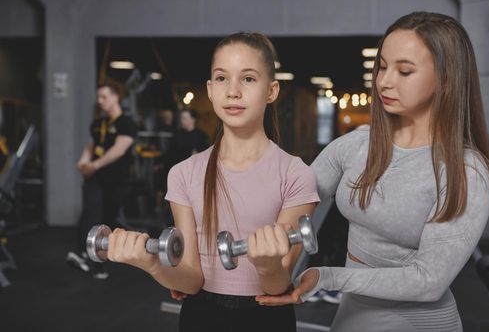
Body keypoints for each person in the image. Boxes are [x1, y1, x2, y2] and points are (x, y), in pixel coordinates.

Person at [257, 12, 489, 332]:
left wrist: (329, 276)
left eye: (404, 71)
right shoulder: (356, 145)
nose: (384, 81)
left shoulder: (466, 171)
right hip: (352, 313)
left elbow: (427, 281)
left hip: (417, 323)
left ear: (446, 79)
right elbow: (286, 201)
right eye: (383, 66)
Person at [105, 32, 319, 332]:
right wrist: (151, 263)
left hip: (267, 320)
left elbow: (277, 286)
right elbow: (191, 279)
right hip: (201, 317)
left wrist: (268, 264)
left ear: (271, 91)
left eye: (248, 79)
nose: (232, 91)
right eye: (221, 78)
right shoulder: (184, 173)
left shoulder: (296, 174)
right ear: (210, 88)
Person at [66, 83, 136, 279]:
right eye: (98, 97)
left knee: (107, 219)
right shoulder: (98, 123)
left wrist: (94, 165)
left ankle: (99, 261)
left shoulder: (126, 123)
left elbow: (119, 150)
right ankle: (84, 255)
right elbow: (91, 146)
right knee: (90, 213)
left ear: (116, 97)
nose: (100, 101)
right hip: (96, 178)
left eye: (104, 97)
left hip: (117, 180)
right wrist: (83, 161)